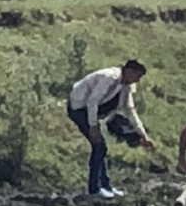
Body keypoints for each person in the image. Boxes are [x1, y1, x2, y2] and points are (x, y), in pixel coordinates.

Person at [66, 59, 154, 198]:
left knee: (102, 146)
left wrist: (143, 134)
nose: (137, 80)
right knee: (99, 146)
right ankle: (94, 189)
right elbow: (92, 101)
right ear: (129, 71)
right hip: (79, 108)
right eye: (137, 76)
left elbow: (130, 110)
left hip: (96, 109)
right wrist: (93, 126)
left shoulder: (126, 86)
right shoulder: (109, 78)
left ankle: (105, 186)